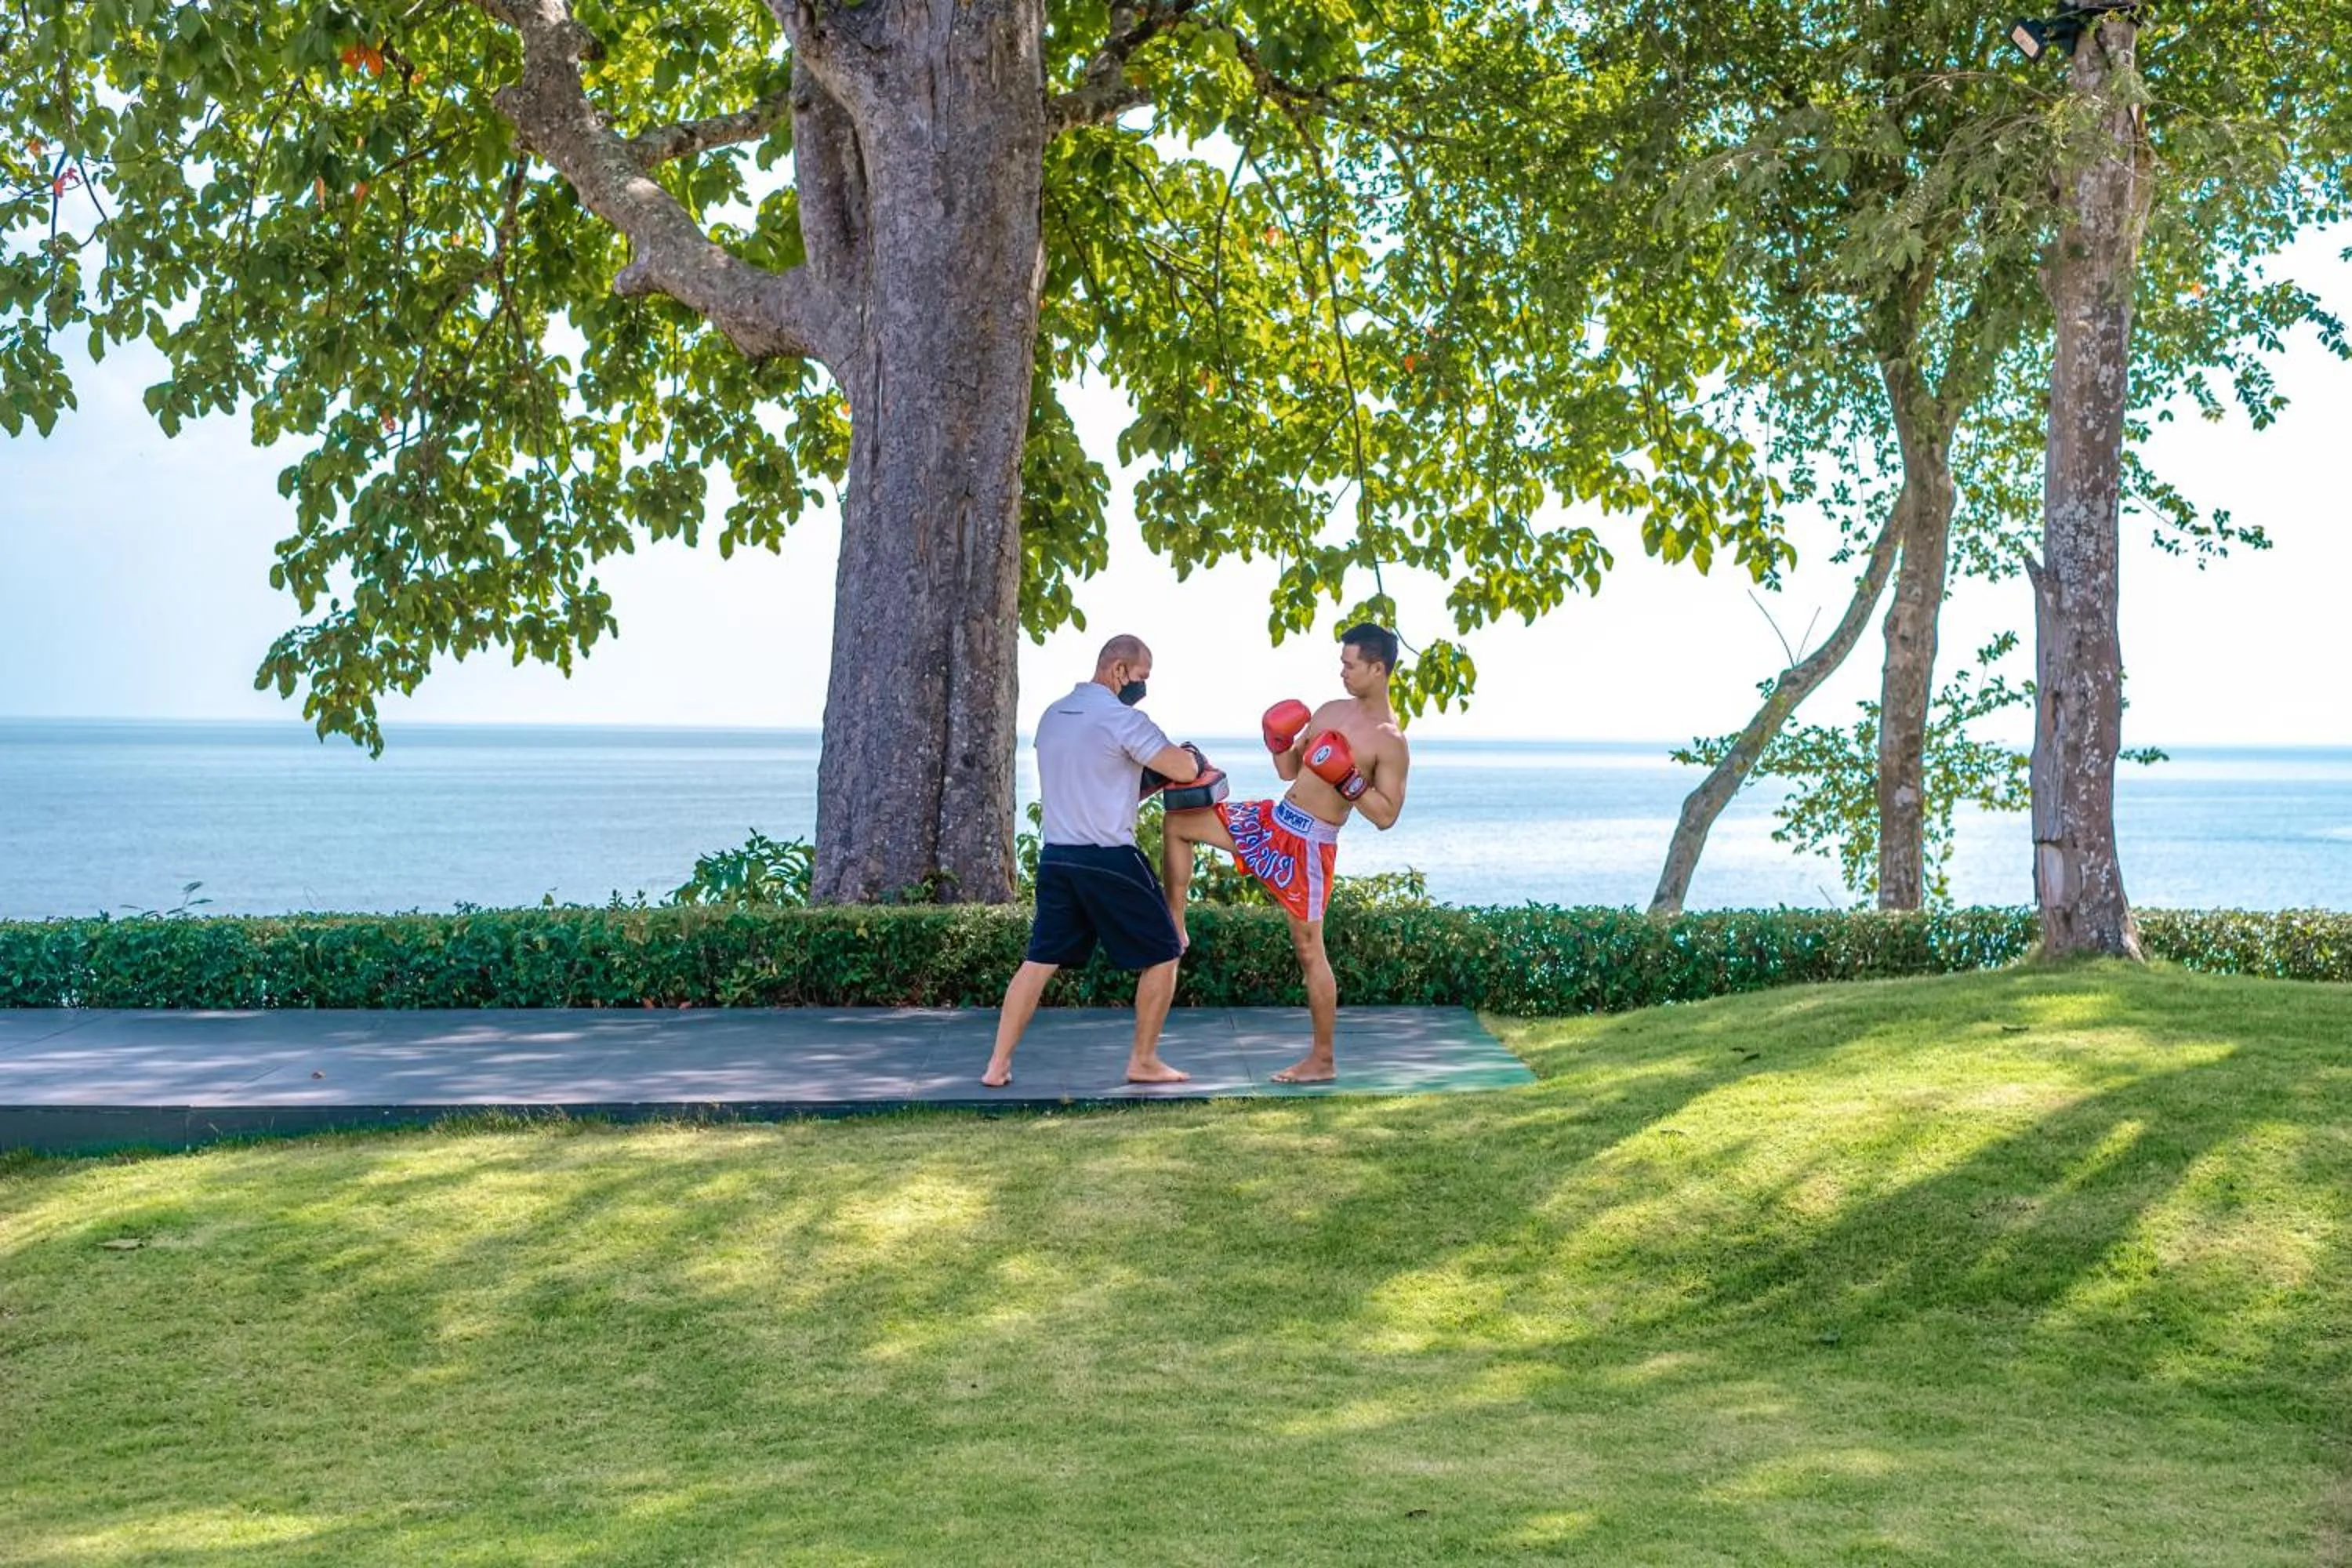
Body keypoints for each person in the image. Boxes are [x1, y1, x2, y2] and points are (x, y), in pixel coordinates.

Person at [1160, 623, 1411, 1083]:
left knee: (1310, 950)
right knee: (1178, 824)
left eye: (1350, 665)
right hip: (1273, 822)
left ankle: (1323, 1060)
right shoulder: (1331, 710)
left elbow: (1386, 814)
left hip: (1312, 844)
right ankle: (1175, 924)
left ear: (1378, 669)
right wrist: (1276, 741)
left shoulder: (1390, 741)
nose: (1342, 673)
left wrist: (1349, 779)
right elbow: (1288, 770)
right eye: (1341, 663)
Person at [983, 634, 1224, 1089]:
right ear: (1118, 670)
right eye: (1141, 677)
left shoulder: (1052, 717)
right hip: (1110, 859)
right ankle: (1144, 1060)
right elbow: (1186, 770)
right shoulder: (1123, 719)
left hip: (1058, 860)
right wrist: (1190, 755)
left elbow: (1093, 777)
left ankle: (997, 1065)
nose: (1142, 687)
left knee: (1038, 961)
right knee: (1167, 950)